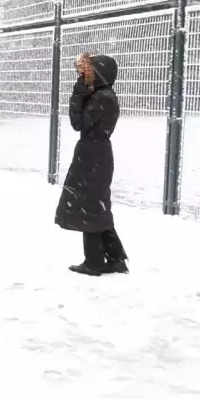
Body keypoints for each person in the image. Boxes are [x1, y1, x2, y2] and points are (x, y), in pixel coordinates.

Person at [54, 52, 128, 276]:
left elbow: (78, 123)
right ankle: (115, 259)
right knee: (97, 207)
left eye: (87, 73)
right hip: (95, 154)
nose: (82, 76)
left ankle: (94, 262)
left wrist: (78, 94)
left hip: (93, 154)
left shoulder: (101, 97)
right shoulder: (104, 95)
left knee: (90, 208)